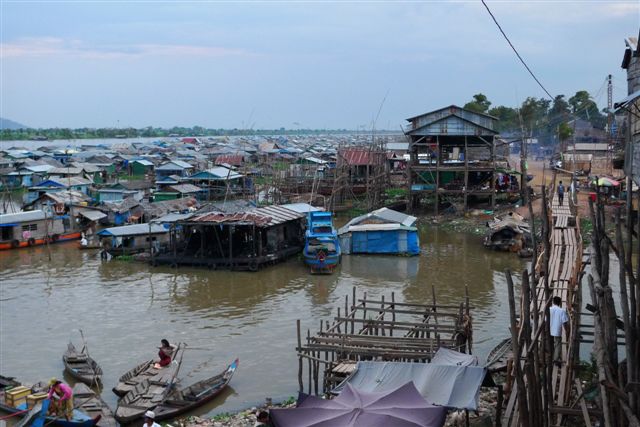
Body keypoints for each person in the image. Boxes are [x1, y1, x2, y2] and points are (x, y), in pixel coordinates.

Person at [550, 296, 569, 366]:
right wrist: (567, 330)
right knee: (558, 344)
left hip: (549, 329)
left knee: (550, 343)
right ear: (560, 303)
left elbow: (545, 320)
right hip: (557, 330)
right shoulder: (562, 311)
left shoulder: (549, 309)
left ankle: (550, 356)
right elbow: (564, 322)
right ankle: (555, 359)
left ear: (553, 302)